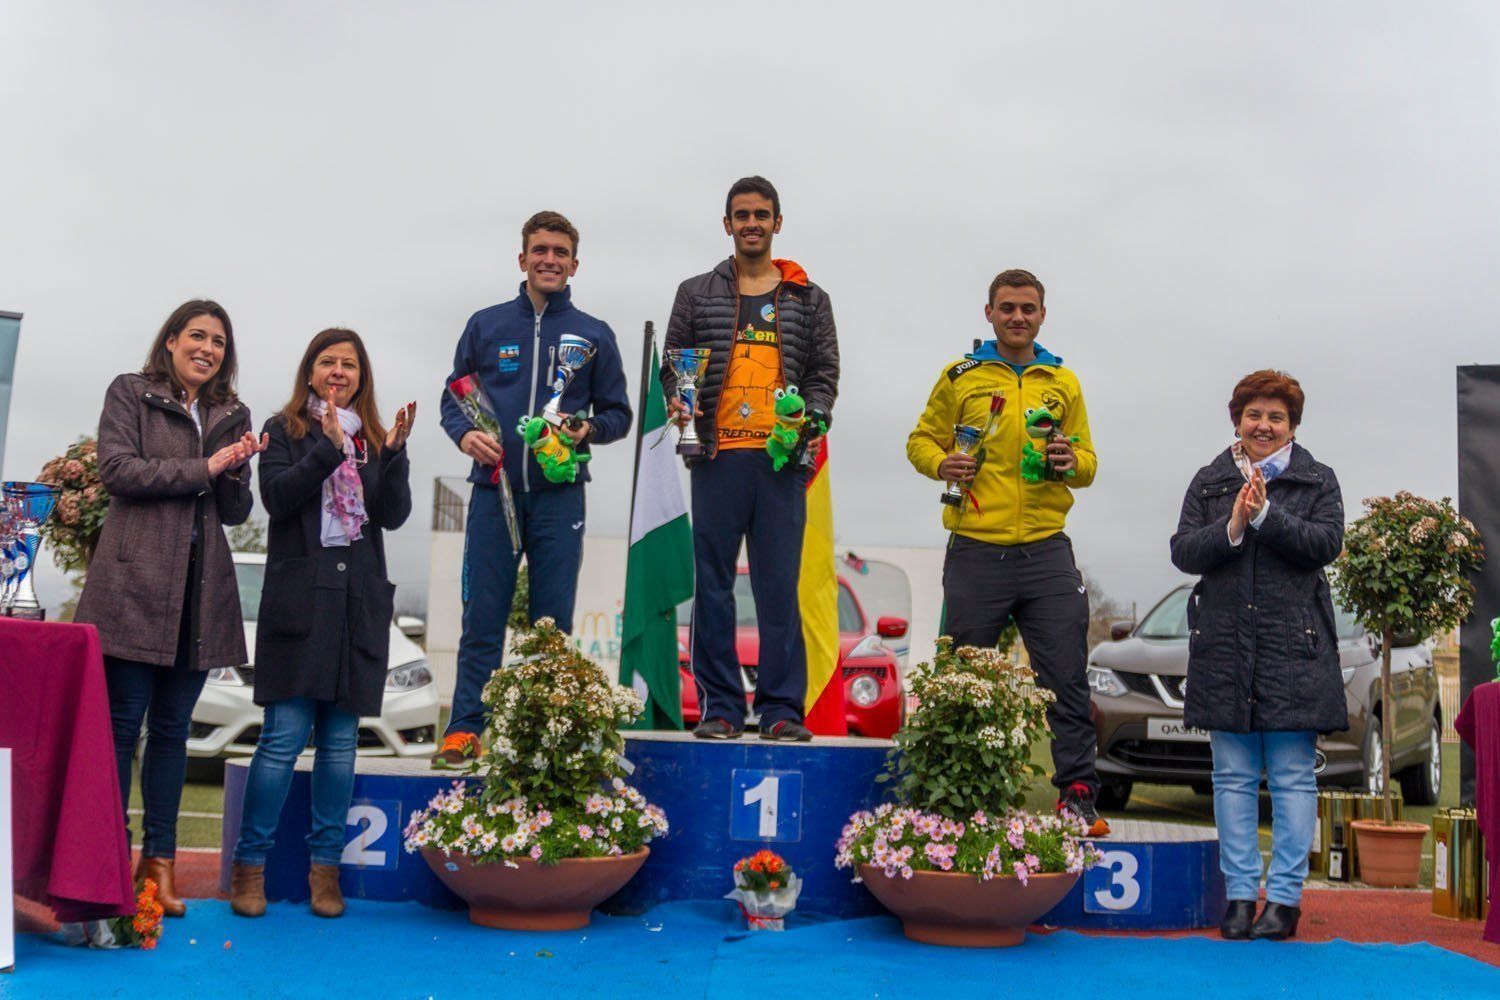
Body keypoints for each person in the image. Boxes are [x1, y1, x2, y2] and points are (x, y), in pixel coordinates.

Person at [76, 299, 265, 917]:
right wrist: (206, 465)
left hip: (199, 596)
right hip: (132, 589)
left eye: (218, 341)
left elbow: (236, 513)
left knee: (173, 735)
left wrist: (237, 469)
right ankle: (106, 861)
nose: (206, 348)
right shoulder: (131, 393)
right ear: (173, 340)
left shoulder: (231, 411)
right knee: (121, 729)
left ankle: (157, 866)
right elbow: (119, 471)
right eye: (197, 336)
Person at [905, 269, 1106, 836]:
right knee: (964, 679)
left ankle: (1078, 795)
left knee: (1066, 677)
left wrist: (1072, 461)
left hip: (1046, 549)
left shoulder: (1062, 381)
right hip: (975, 547)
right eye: (1008, 308)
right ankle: (957, 797)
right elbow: (920, 440)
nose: (1018, 317)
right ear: (988, 313)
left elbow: (1089, 462)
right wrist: (941, 464)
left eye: (1029, 309)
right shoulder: (959, 375)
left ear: (1043, 315)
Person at [433, 211, 631, 769]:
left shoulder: (593, 335)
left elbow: (619, 413)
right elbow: (454, 395)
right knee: (483, 616)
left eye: (560, 252)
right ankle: (465, 728)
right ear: (522, 259)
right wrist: (466, 433)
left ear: (574, 264)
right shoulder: (486, 324)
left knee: (551, 622)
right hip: (493, 490)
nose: (549, 259)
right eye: (540, 250)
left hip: (560, 495)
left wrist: (587, 429)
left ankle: (544, 732)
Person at [229, 329, 414, 919]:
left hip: (356, 606)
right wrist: (328, 449)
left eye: (350, 364)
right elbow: (279, 498)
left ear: (362, 377)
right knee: (282, 739)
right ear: (310, 372)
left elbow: (391, 515)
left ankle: (325, 871)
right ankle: (248, 868)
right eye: (328, 362)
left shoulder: (376, 439)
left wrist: (397, 454)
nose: (339, 371)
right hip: (301, 604)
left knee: (339, 746)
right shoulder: (285, 430)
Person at [1169, 369, 1346, 941]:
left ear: (1291, 426)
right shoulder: (1210, 480)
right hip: (1223, 648)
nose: (1263, 425)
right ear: (1237, 421)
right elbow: (1183, 552)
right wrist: (1235, 523)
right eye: (1254, 415)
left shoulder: (1317, 480)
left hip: (1294, 649)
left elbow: (1325, 544)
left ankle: (1285, 899)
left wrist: (1269, 517)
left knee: (1293, 777)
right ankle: (1240, 895)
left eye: (1276, 417)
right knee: (1232, 777)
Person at [663, 176, 840, 742]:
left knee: (778, 588)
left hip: (781, 463)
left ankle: (783, 709)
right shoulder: (695, 292)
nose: (752, 224)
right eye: (742, 215)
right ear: (727, 224)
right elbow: (676, 367)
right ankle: (719, 708)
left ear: (777, 223)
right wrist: (678, 398)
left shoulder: (809, 298)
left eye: (762, 214)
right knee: (712, 586)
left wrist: (809, 421)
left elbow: (822, 377)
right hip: (716, 457)